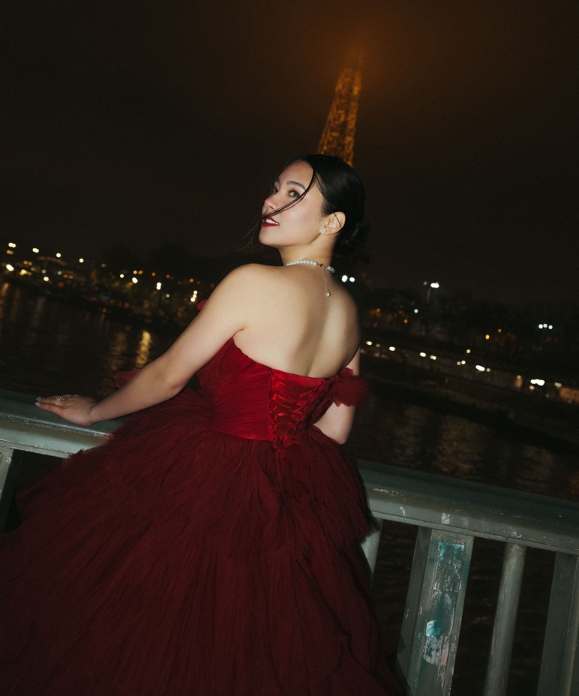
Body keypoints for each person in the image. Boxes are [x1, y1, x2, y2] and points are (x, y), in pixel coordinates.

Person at [0, 153, 404, 696]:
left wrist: (93, 410)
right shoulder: (350, 313)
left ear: (333, 222)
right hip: (281, 495)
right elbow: (334, 434)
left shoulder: (254, 281)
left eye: (293, 195)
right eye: (274, 188)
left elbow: (168, 376)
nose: (270, 202)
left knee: (129, 631)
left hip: (208, 480)